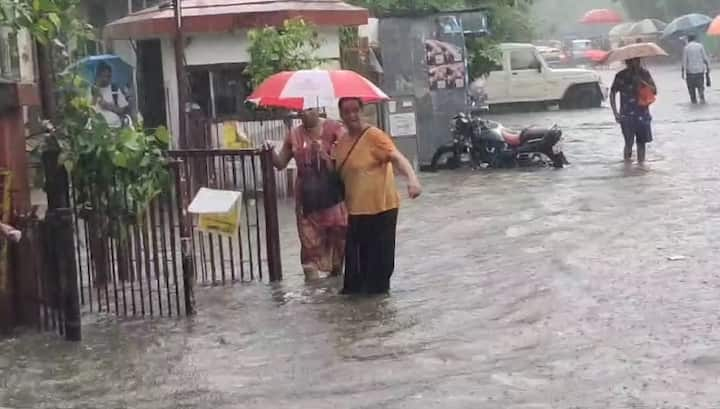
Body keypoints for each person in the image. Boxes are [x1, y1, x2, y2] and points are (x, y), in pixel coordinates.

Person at [335, 98, 422, 295]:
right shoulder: (341, 143)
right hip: (356, 212)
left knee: (378, 270)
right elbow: (339, 173)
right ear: (341, 116)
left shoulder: (374, 136)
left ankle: (380, 313)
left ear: (362, 111)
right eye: (346, 112)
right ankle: (362, 318)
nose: (351, 116)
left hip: (382, 210)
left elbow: (398, 158)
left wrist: (412, 179)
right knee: (354, 276)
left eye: (355, 110)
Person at [269, 109, 347, 280]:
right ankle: (313, 301)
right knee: (309, 255)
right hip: (307, 202)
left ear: (318, 109)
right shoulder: (294, 135)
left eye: (309, 110)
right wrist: (269, 152)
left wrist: (325, 155)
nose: (304, 114)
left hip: (333, 200)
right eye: (301, 111)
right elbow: (281, 163)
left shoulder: (335, 130)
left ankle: (334, 293)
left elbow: (345, 164)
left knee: (338, 253)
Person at [610, 58, 657, 164]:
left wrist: (642, 82)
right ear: (626, 62)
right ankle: (627, 166)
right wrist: (615, 113)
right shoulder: (621, 76)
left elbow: (654, 91)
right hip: (626, 115)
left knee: (641, 143)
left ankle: (641, 167)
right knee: (628, 142)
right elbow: (612, 93)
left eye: (637, 61)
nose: (634, 63)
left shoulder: (644, 73)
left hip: (642, 114)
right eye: (631, 61)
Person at [93, 62, 131, 128]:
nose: (105, 79)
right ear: (97, 76)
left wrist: (109, 107)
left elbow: (123, 110)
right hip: (97, 129)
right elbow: (88, 109)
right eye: (103, 76)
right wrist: (96, 92)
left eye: (108, 76)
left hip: (115, 127)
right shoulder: (90, 90)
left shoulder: (114, 89)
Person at [682, 34, 711, 104]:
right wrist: (708, 67)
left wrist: (682, 72)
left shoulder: (686, 48)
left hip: (690, 73)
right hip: (700, 71)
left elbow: (684, 61)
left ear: (688, 39)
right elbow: (705, 58)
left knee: (692, 92)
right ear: (695, 39)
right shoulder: (700, 46)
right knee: (701, 89)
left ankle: (694, 102)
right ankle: (702, 101)